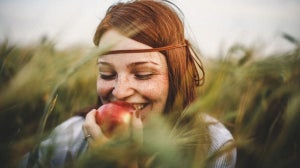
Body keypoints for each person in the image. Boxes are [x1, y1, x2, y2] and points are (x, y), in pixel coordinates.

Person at [20, 0, 236, 167]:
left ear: (176, 76)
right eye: (106, 74)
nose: (120, 91)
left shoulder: (211, 145)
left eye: (142, 74)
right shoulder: (68, 139)